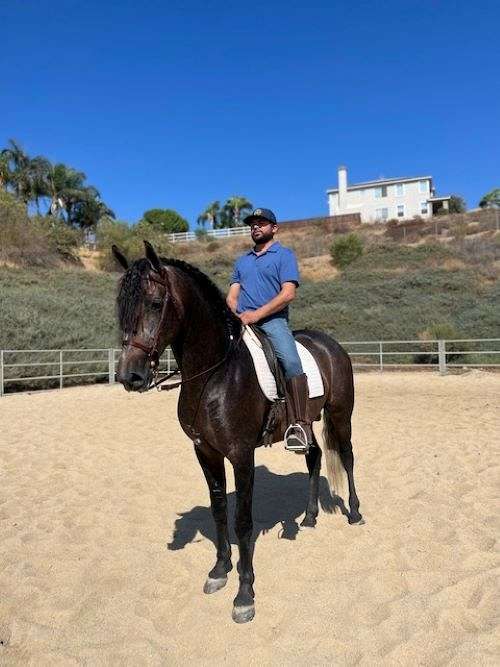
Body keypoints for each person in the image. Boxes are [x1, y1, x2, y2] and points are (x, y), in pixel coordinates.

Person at [226, 207, 312, 453]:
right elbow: (232, 295)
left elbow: (288, 294)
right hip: (243, 321)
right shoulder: (242, 261)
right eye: (253, 224)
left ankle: (301, 425)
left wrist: (257, 314)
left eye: (261, 223)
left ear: (274, 228)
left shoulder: (283, 255)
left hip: (272, 322)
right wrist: (237, 312)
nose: (256, 227)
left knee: (291, 362)